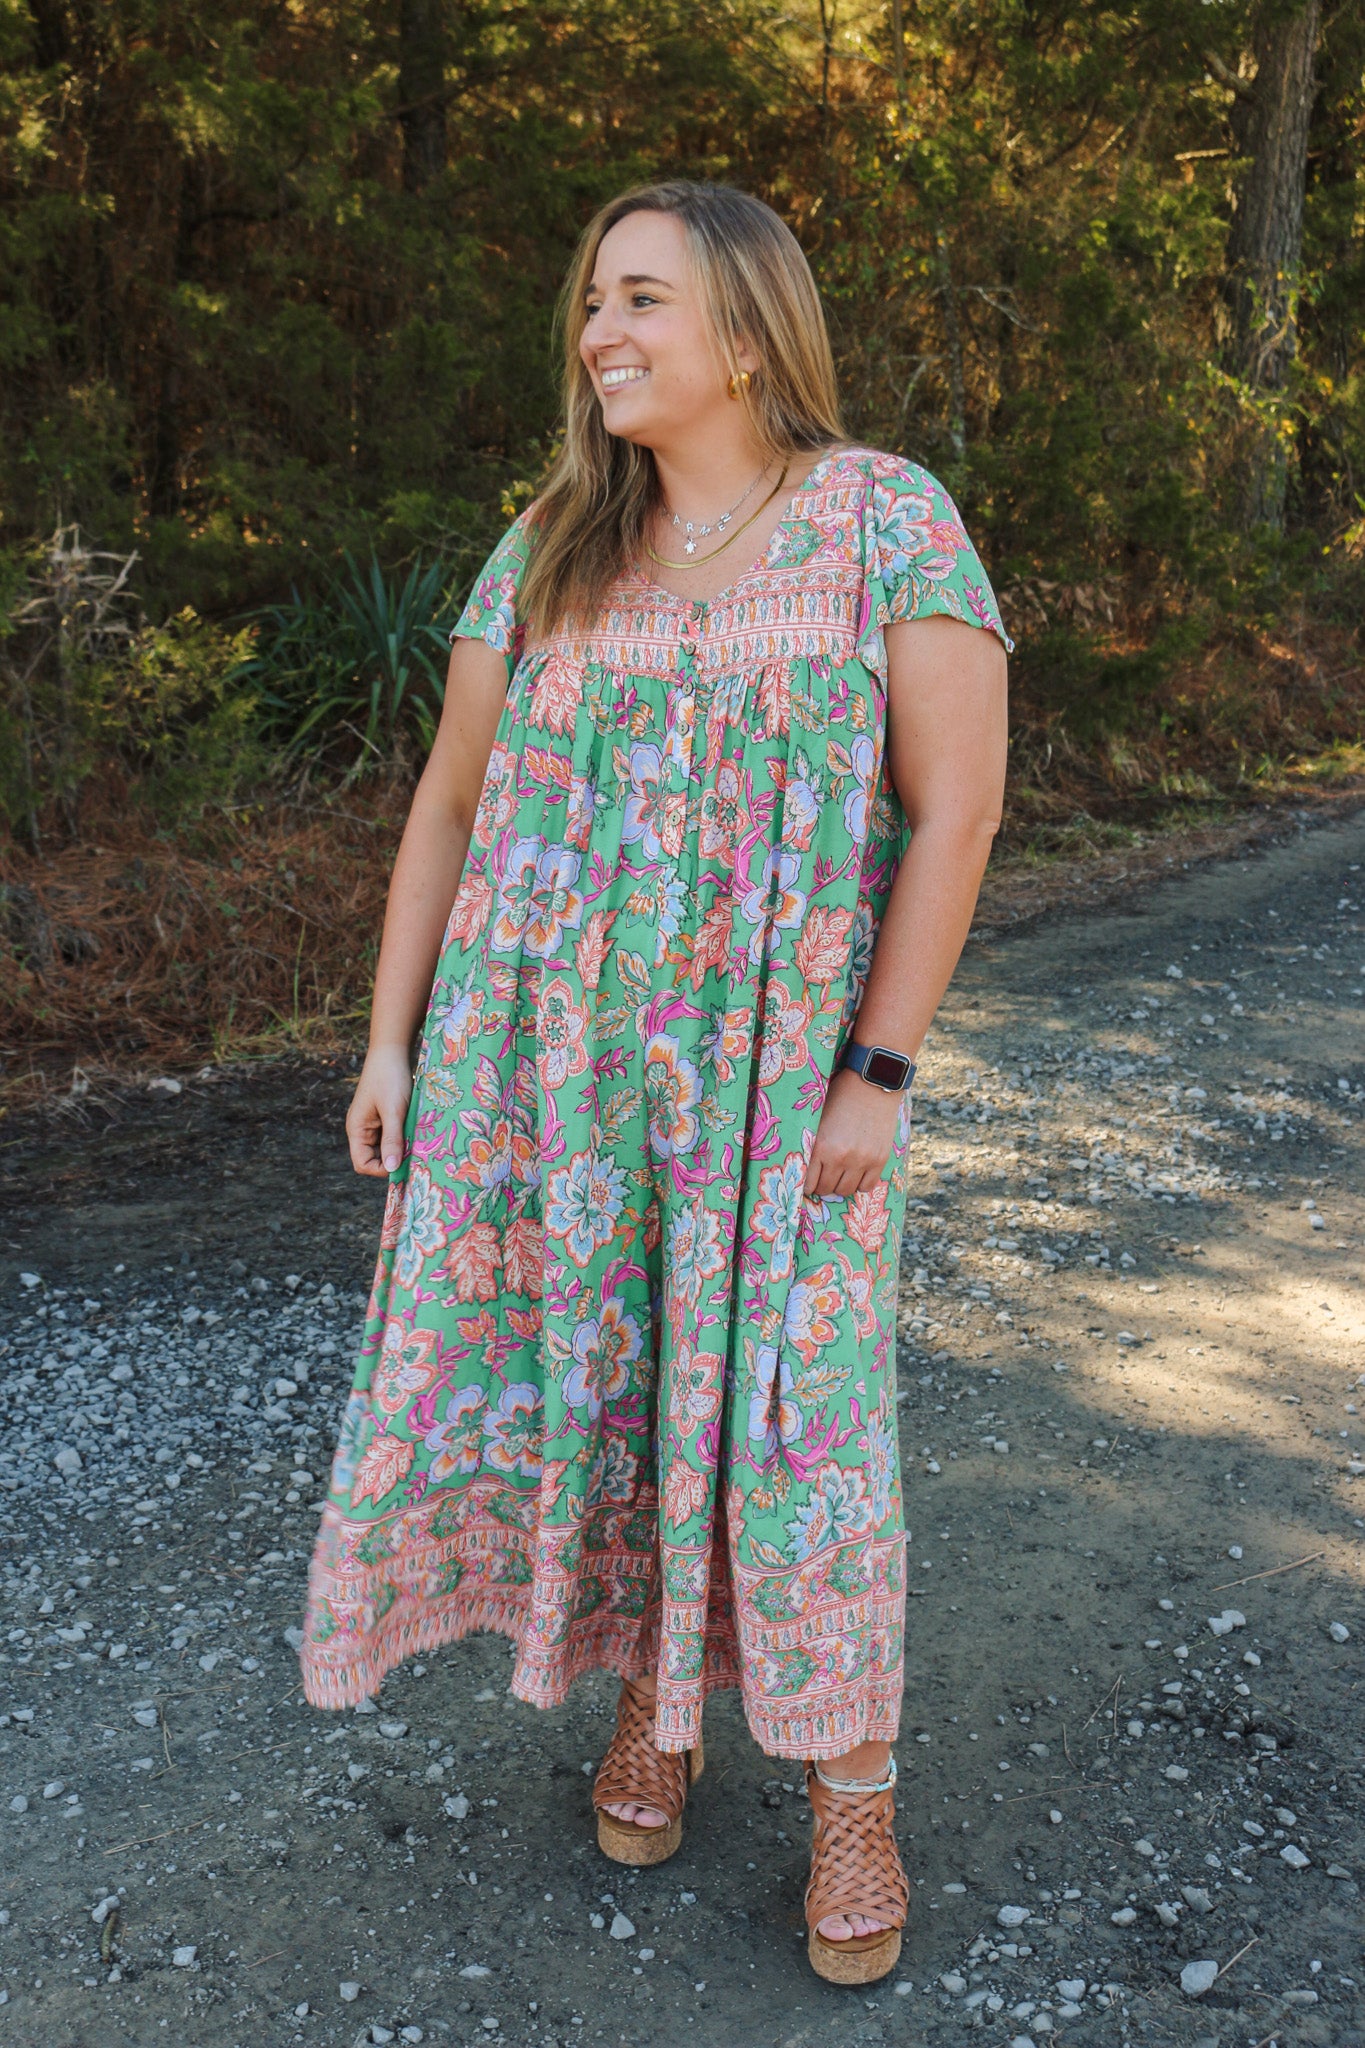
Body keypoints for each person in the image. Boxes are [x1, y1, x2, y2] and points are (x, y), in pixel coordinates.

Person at [300, 178, 1009, 1987]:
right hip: (546, 1075)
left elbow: (955, 813)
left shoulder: (883, 520)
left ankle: (852, 1783)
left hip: (781, 1081)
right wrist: (390, 1039)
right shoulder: (553, 537)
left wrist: (879, 1070)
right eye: (591, 302)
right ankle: (655, 1702)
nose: (598, 332)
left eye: (640, 298)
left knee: (796, 1419)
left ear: (749, 330)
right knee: (609, 1392)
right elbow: (450, 803)